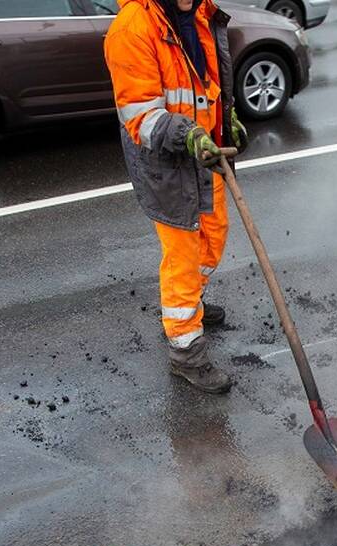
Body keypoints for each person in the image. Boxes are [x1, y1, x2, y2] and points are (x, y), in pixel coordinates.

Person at [104, 0, 249, 393]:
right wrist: (186, 134)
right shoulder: (132, 28)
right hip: (165, 163)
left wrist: (225, 119)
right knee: (182, 256)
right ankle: (186, 352)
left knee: (214, 236)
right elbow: (140, 117)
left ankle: (189, 306)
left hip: (204, 154)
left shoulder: (203, 13)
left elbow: (205, 85)